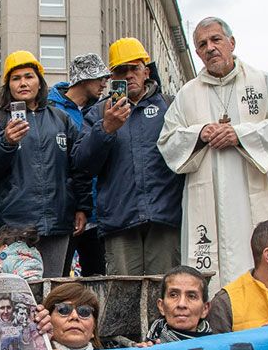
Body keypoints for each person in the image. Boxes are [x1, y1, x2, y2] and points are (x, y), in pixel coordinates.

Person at [159, 17, 268, 288]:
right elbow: (167, 141)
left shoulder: (263, 82)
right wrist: (199, 134)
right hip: (208, 198)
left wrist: (240, 135)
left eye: (216, 40)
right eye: (202, 44)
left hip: (259, 192)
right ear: (198, 53)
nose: (210, 48)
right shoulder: (187, 95)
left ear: (231, 43)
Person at [0, 50, 90, 275]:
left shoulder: (61, 119)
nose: (23, 83)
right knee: (17, 294)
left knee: (52, 292)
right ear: (8, 86)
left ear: (40, 82)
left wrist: (82, 207)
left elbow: (78, 167)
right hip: (14, 225)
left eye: (29, 76)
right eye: (16, 78)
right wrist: (6, 142)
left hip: (57, 222)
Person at [77, 37, 183, 275]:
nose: (128, 75)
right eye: (120, 70)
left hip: (164, 219)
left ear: (146, 71)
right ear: (111, 77)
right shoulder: (98, 112)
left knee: (164, 292)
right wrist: (105, 129)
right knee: (123, 300)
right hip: (120, 221)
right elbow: (83, 164)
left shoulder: (170, 106)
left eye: (134, 68)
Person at [49, 52, 110, 276]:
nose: (105, 83)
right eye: (99, 77)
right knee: (61, 279)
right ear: (83, 79)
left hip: (99, 211)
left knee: (97, 278)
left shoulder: (103, 109)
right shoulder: (51, 109)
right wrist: (77, 206)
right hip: (64, 212)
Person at [145, 266, 213, 344]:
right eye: (173, 295)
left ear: (204, 309)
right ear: (162, 306)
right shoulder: (150, 346)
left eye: (191, 296)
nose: (181, 304)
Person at [48, 52, 109, 128]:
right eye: (100, 79)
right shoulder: (51, 108)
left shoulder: (99, 108)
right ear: (82, 79)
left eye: (105, 80)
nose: (104, 85)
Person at [42, 282, 101, 350]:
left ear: (93, 329)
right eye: (63, 309)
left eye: (84, 311)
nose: (74, 316)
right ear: (47, 321)